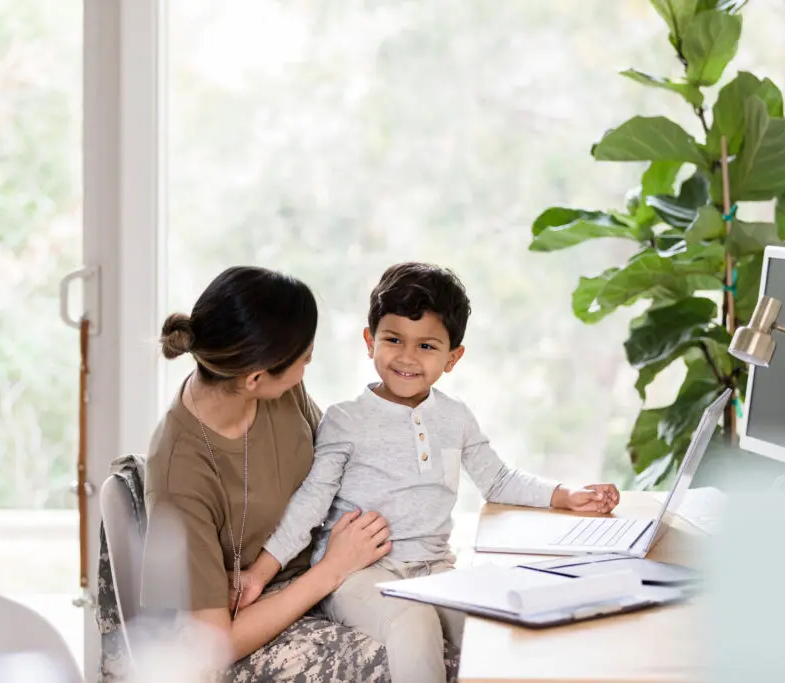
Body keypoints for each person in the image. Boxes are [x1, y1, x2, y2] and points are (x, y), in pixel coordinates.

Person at [236, 262, 621, 683]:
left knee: (493, 625)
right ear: (370, 341)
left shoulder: (455, 418)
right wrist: (259, 573)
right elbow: (310, 502)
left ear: (453, 358)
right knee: (413, 622)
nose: (407, 357)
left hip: (434, 570)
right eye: (394, 339)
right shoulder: (346, 420)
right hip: (359, 575)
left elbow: (497, 480)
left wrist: (564, 494)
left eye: (427, 346)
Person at [141, 265, 397, 676]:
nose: (305, 370)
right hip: (252, 625)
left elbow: (333, 464)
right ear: (256, 378)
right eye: (304, 360)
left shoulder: (277, 387)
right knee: (410, 664)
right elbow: (215, 643)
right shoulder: (179, 477)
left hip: (326, 573)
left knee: (459, 638)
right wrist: (332, 569)